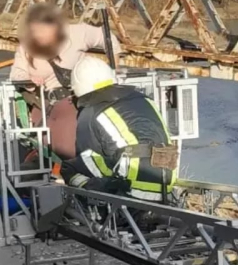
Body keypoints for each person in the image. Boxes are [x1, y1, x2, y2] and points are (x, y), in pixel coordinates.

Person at [10, 3, 121, 159]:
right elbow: (16, 74)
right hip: (45, 102)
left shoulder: (77, 32)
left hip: (79, 97)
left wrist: (112, 72)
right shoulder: (27, 45)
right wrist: (29, 80)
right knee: (60, 142)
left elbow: (109, 40)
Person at [60, 57, 178, 204]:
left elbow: (86, 153)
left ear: (79, 89)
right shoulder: (146, 100)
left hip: (129, 190)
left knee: (70, 166)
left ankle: (94, 210)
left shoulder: (91, 112)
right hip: (165, 185)